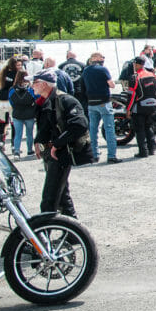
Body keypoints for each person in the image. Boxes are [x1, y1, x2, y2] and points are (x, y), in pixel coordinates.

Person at [31, 69, 93, 218]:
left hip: (62, 154)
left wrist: (57, 144)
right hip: (52, 154)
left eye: (34, 82)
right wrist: (38, 142)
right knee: (62, 195)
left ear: (44, 84)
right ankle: (72, 233)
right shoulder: (44, 102)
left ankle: (43, 234)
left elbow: (80, 124)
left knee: (49, 198)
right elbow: (46, 126)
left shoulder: (65, 100)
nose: (31, 86)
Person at [82, 52, 120, 164]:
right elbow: (112, 85)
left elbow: (83, 86)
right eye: (102, 57)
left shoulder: (86, 70)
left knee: (93, 130)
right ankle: (111, 156)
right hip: (103, 101)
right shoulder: (103, 69)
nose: (103, 59)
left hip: (91, 102)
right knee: (109, 129)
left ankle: (94, 155)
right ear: (97, 58)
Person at [126, 57, 156, 158]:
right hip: (152, 106)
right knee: (149, 127)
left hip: (140, 107)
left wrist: (128, 109)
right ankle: (152, 149)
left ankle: (143, 151)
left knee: (140, 130)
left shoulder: (135, 77)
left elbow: (131, 95)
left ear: (136, 64)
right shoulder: (152, 75)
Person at [8, 72, 38, 158]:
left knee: (18, 134)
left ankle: (17, 151)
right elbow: (37, 97)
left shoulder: (12, 89)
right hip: (29, 113)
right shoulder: (30, 89)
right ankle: (29, 151)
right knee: (29, 134)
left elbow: (11, 101)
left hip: (17, 113)